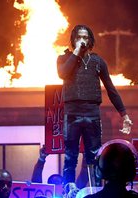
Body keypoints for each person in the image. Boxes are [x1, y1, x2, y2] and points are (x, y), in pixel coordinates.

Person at [57, 24, 133, 185]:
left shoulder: (98, 62)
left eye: (85, 37)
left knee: (94, 156)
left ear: (91, 40)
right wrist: (76, 52)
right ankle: (68, 191)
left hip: (92, 114)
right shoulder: (64, 58)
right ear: (73, 40)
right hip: (72, 115)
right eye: (79, 37)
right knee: (70, 156)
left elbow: (111, 89)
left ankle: (96, 190)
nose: (82, 40)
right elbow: (63, 73)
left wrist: (124, 114)